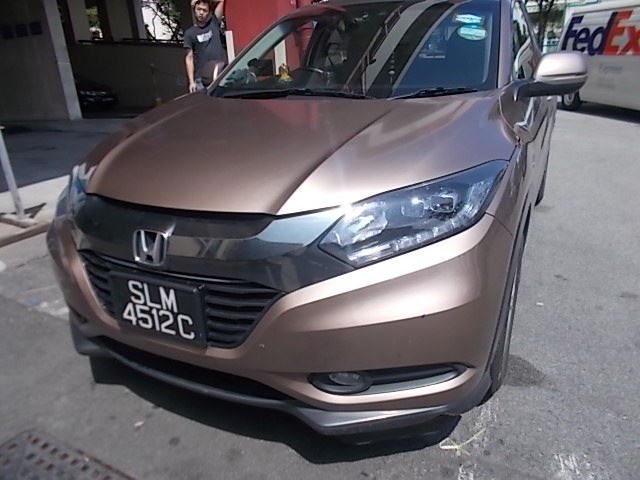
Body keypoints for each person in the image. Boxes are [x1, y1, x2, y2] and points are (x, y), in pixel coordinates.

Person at [183, 0, 226, 92]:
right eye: (199, 9)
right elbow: (189, 58)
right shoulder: (189, 33)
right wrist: (191, 82)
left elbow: (221, 1)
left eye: (204, 10)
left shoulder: (214, 23)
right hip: (201, 79)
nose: (201, 13)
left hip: (221, 74)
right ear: (194, 10)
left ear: (209, 12)